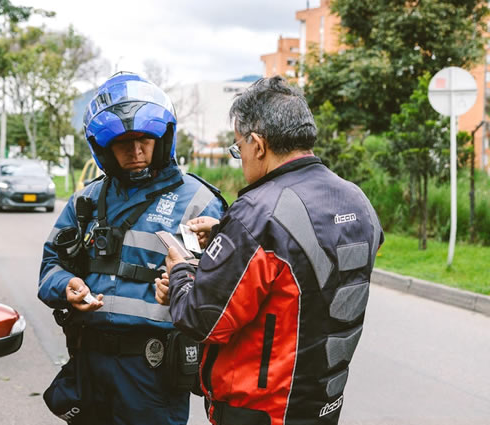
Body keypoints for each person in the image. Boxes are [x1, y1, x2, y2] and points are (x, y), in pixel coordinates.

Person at [155, 76, 384, 425]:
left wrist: (182, 269)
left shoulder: (257, 214)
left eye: (238, 148)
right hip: (324, 402)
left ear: (258, 144)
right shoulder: (357, 199)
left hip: (262, 411)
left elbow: (202, 320)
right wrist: (224, 235)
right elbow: (309, 266)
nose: (241, 158)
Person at [38, 72, 225, 425]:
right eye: (123, 142)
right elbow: (50, 268)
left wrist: (183, 288)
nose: (136, 151)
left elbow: (225, 292)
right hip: (89, 362)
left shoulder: (199, 201)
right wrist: (66, 286)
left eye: (144, 139)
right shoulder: (85, 201)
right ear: (104, 148)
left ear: (162, 139)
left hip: (153, 372)